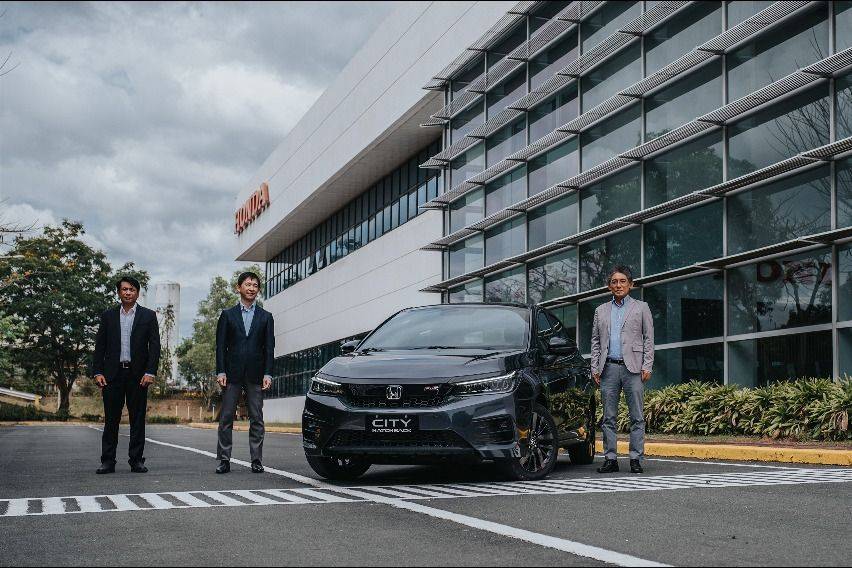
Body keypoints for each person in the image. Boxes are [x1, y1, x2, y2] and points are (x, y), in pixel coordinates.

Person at [92, 277, 160, 474]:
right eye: (124, 289)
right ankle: (108, 461)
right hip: (112, 375)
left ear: (137, 293)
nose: (128, 292)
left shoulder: (148, 316)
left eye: (131, 289)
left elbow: (154, 346)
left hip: (138, 375)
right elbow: (100, 346)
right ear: (119, 293)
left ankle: (136, 460)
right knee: (111, 419)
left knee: (137, 419)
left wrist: (150, 371)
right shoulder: (108, 316)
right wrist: (97, 371)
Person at [590, 265, 654, 474]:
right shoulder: (600, 311)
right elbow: (596, 342)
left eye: (622, 281)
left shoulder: (641, 307)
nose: (618, 285)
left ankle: (635, 458)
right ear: (609, 286)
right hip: (608, 368)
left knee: (637, 416)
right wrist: (595, 367)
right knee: (608, 417)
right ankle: (610, 459)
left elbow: (648, 339)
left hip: (633, 368)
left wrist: (647, 365)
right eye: (614, 282)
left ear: (630, 284)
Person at [215, 271, 274, 474]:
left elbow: (269, 348)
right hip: (231, 373)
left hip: (256, 374)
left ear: (258, 290)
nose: (251, 288)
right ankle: (224, 460)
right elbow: (220, 346)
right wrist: (220, 371)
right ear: (239, 288)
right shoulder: (227, 315)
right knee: (226, 417)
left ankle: (256, 460)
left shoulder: (266, 317)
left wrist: (268, 373)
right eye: (247, 284)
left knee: (257, 418)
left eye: (255, 285)